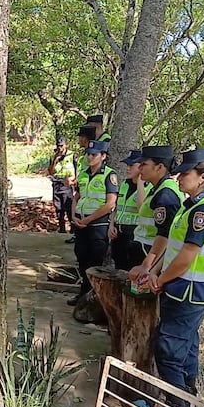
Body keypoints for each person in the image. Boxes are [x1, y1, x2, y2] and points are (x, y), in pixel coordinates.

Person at [142, 148, 204, 407]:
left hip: (189, 292)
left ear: (203, 178)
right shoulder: (189, 205)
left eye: (185, 173)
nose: (178, 177)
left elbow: (188, 256)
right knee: (186, 351)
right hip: (178, 288)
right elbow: (173, 246)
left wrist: (161, 279)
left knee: (168, 351)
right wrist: (153, 272)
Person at [68, 140, 118, 306]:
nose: (90, 157)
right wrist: (74, 216)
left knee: (95, 261)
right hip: (80, 223)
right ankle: (83, 294)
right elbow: (77, 196)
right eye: (88, 154)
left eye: (94, 154)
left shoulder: (109, 175)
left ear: (103, 156)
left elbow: (111, 203)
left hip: (97, 224)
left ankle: (92, 297)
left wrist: (88, 219)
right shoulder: (83, 173)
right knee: (81, 257)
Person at [129, 145, 183, 282]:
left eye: (144, 164)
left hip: (151, 255)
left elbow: (164, 235)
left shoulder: (166, 194)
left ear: (159, 167)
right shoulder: (157, 189)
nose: (139, 168)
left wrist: (146, 266)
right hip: (146, 251)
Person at [108, 149, 149, 271]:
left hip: (134, 234)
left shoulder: (149, 186)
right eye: (127, 165)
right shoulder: (124, 184)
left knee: (132, 268)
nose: (127, 168)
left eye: (131, 165)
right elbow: (116, 208)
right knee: (119, 267)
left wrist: (141, 182)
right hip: (118, 233)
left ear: (141, 167)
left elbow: (141, 208)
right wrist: (111, 225)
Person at [67, 126, 96, 244]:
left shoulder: (91, 155)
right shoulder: (85, 154)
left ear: (85, 138)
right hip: (82, 186)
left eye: (80, 137)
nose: (79, 140)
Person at [47, 136, 76, 234]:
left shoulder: (72, 155)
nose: (60, 148)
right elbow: (50, 172)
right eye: (58, 146)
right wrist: (55, 159)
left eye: (62, 146)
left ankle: (72, 230)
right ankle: (62, 230)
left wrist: (73, 182)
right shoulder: (54, 156)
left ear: (66, 145)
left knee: (69, 208)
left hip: (67, 184)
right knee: (59, 209)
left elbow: (77, 171)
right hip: (56, 184)